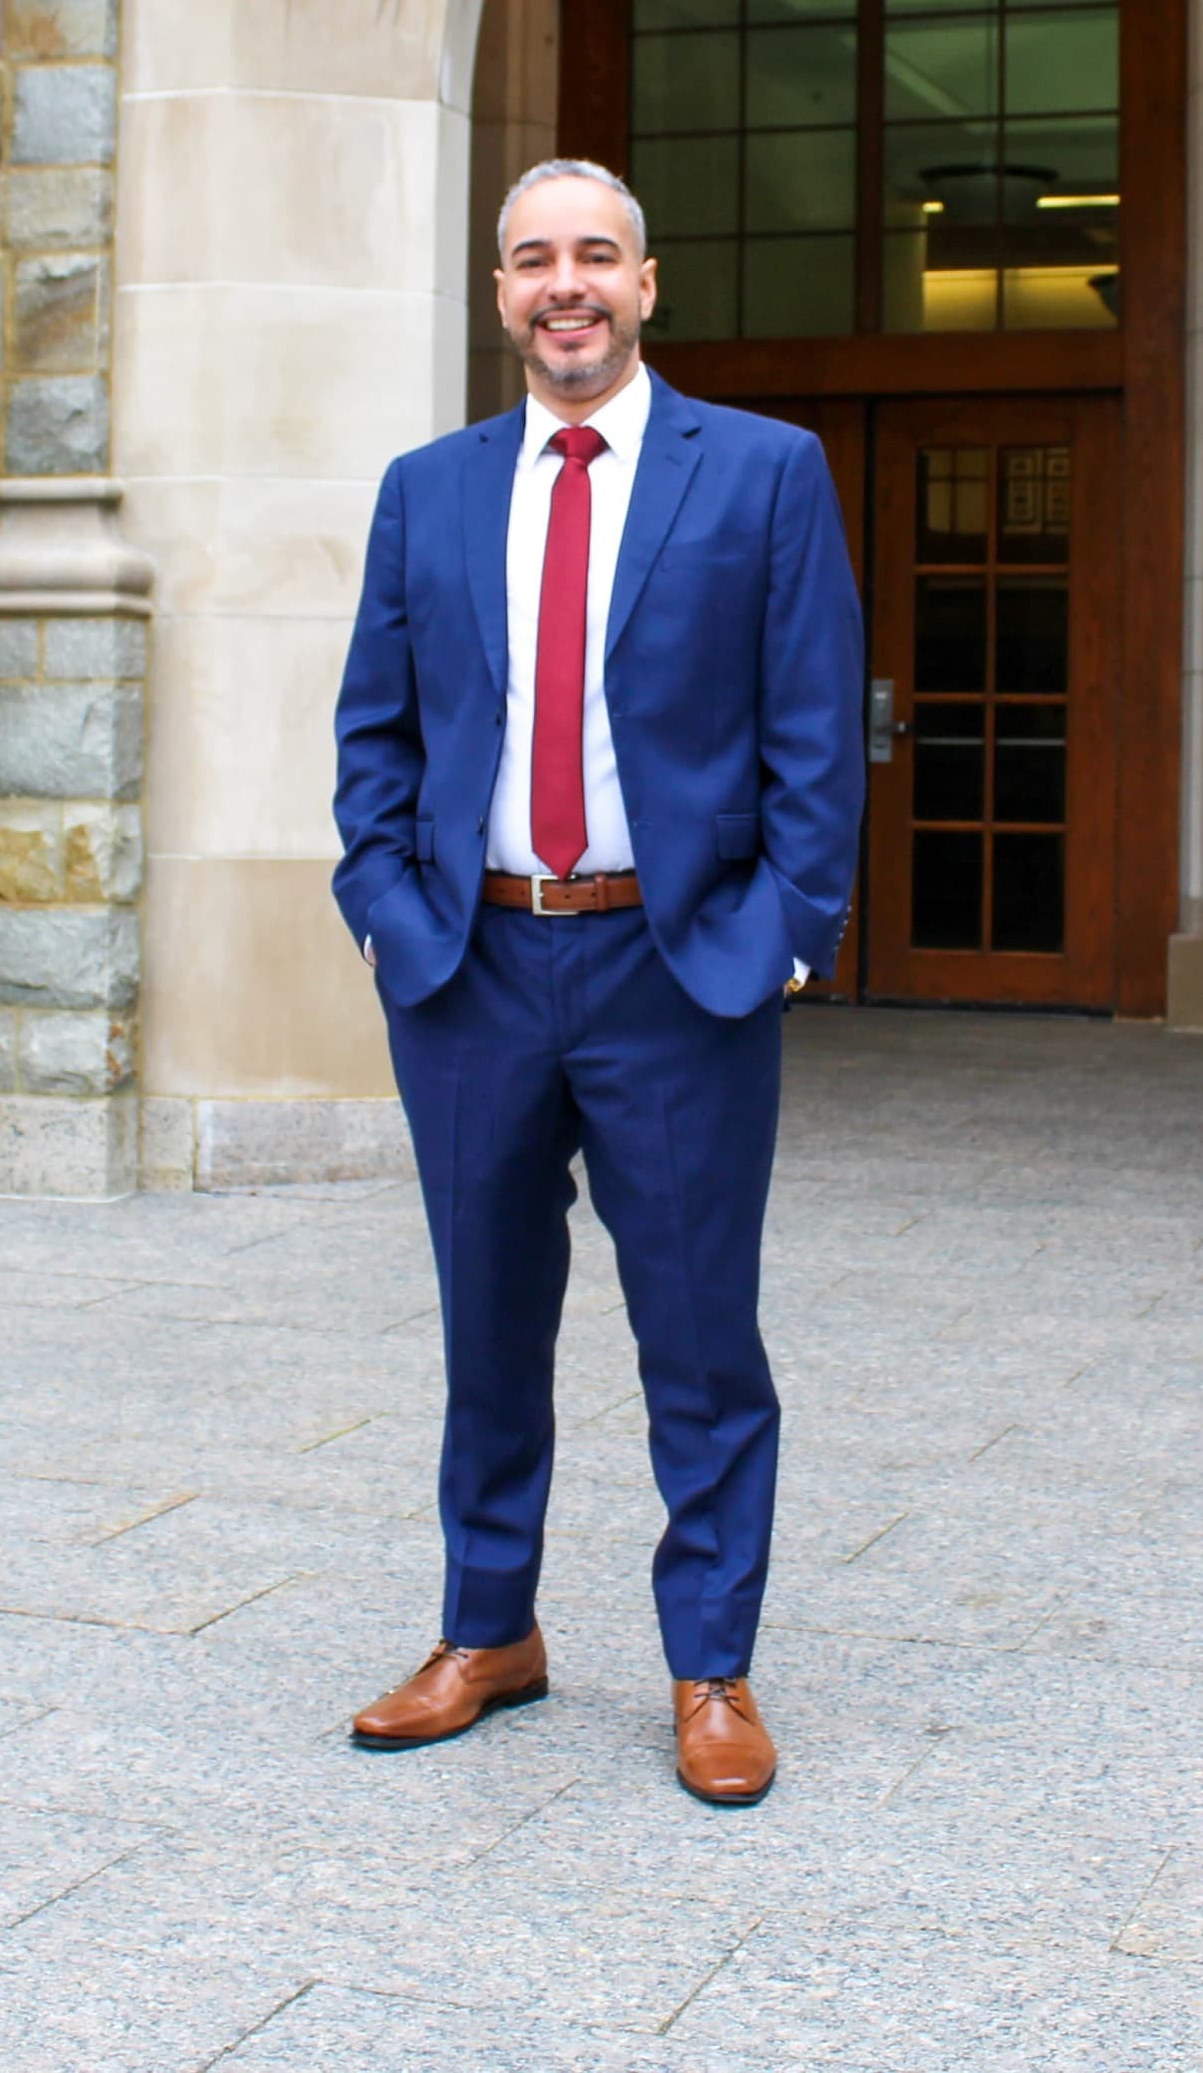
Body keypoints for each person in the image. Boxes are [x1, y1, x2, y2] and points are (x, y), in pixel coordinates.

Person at [327, 157, 865, 1806]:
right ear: (500, 294)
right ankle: (489, 1631)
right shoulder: (428, 488)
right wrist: (386, 909)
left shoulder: (765, 473)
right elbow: (377, 730)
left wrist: (776, 934)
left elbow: (815, 733)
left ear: (648, 282)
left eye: (596, 257)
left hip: (671, 963)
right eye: (532, 260)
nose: (566, 285)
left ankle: (711, 1664)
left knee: (699, 1333)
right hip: (473, 960)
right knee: (488, 1321)